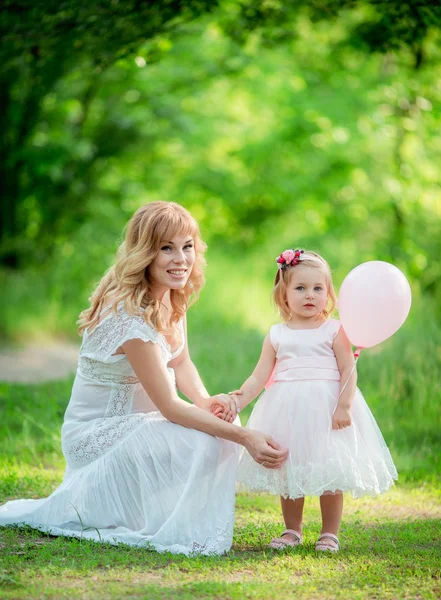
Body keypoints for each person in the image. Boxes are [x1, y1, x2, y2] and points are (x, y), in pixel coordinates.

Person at [0, 202, 288, 555]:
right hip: (99, 438)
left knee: (219, 421)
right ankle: (131, 510)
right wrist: (246, 438)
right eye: (166, 248)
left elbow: (181, 361)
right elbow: (169, 407)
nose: (180, 259)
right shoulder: (131, 317)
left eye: (187, 247)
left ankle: (155, 509)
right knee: (213, 439)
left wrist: (205, 401)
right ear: (145, 253)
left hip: (139, 425)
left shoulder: (170, 296)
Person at [215, 248, 397, 552]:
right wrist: (238, 400)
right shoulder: (276, 334)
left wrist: (344, 406)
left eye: (318, 288)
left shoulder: (335, 329)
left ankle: (329, 532)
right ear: (284, 295)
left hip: (326, 409)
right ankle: (292, 529)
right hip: (287, 409)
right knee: (290, 468)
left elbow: (348, 369)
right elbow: (259, 377)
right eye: (300, 288)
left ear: (328, 293)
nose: (310, 295)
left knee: (329, 470)